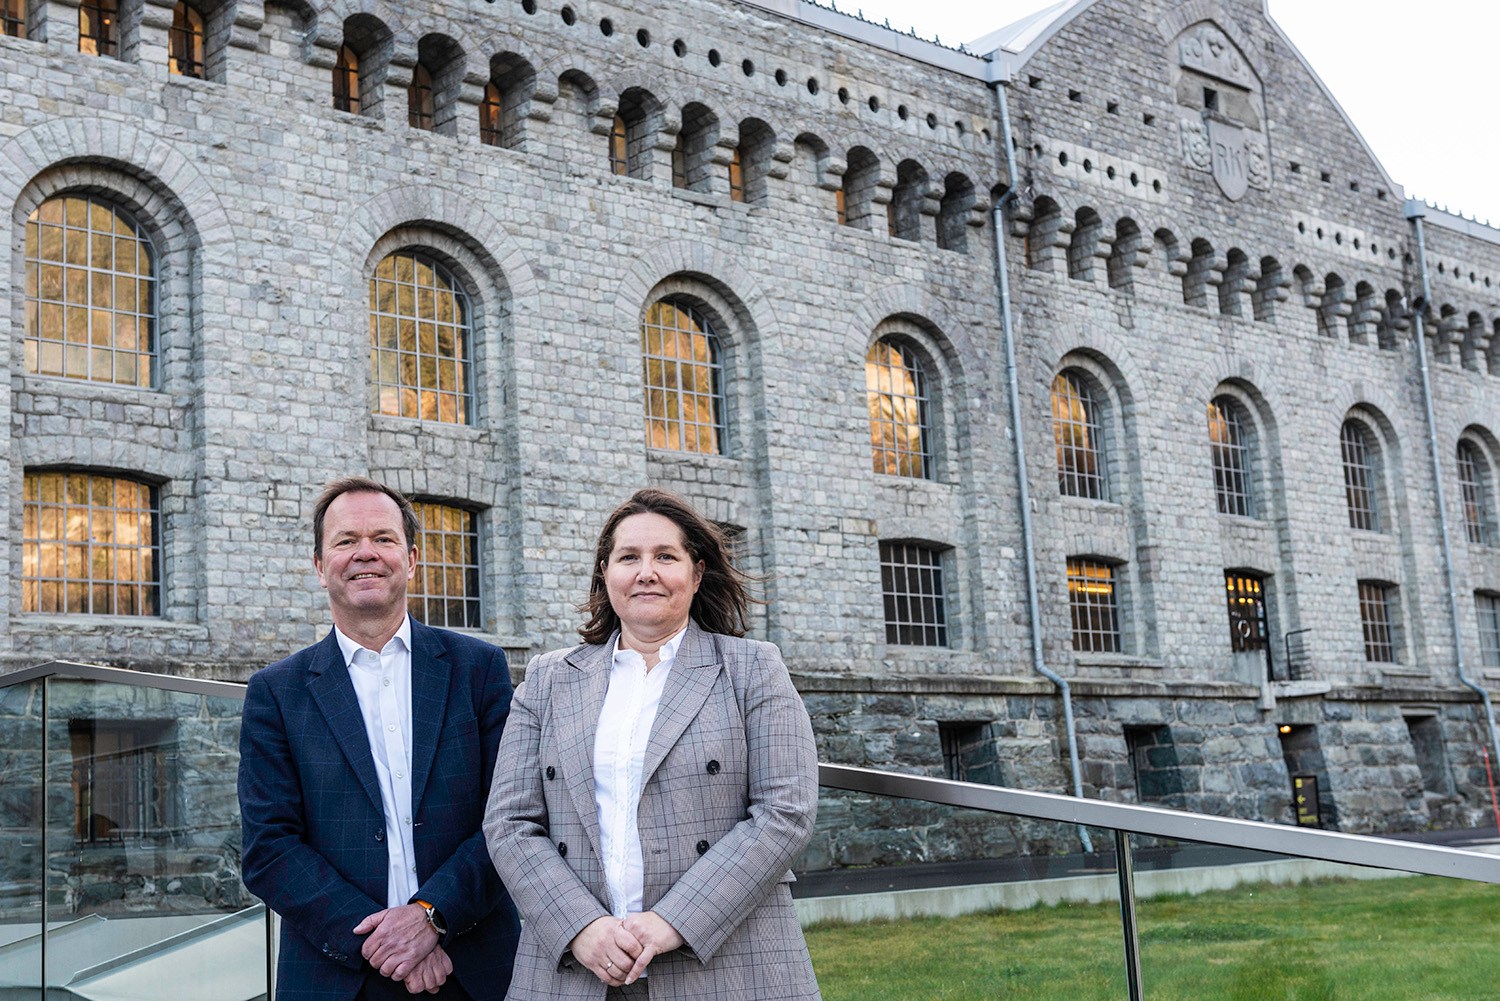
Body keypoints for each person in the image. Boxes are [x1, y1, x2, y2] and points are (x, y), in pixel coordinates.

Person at [483, 488, 821, 1000]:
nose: (646, 572)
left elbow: (785, 811)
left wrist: (674, 920)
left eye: (665, 556)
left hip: (725, 964)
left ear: (697, 573)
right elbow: (509, 822)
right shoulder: (549, 679)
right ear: (605, 573)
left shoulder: (753, 668)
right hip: (575, 972)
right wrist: (580, 927)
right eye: (628, 558)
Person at [239, 477, 521, 1000]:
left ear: (411, 559)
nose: (365, 553)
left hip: (474, 969)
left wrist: (432, 916)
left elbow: (511, 817)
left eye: (383, 538)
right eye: (346, 540)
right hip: (337, 975)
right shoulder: (276, 693)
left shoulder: (479, 669)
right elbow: (269, 848)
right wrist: (386, 941)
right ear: (320, 566)